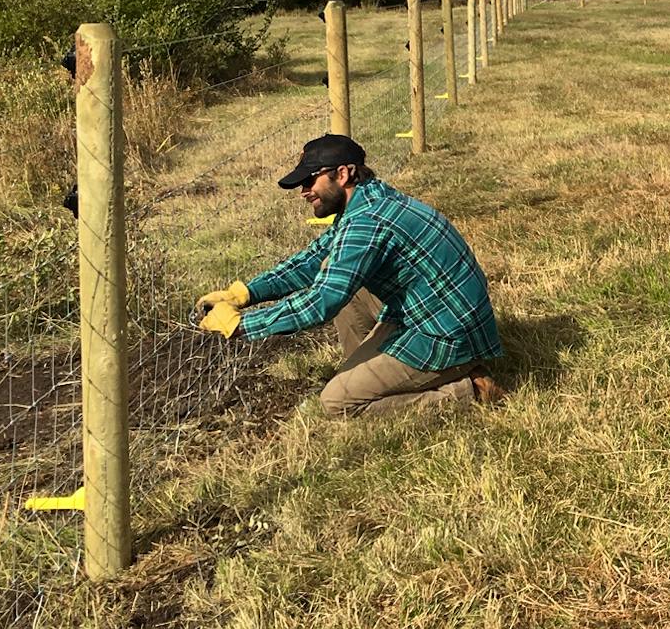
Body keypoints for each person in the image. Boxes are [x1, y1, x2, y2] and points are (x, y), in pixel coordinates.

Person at [195, 134, 504, 418]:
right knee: (336, 270)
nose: (303, 191)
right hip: (431, 313)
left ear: (342, 174)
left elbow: (321, 303)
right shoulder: (369, 202)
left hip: (447, 335)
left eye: (310, 180)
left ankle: (468, 390)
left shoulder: (366, 223)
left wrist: (241, 325)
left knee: (337, 404)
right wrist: (245, 293)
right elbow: (312, 260)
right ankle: (367, 375)